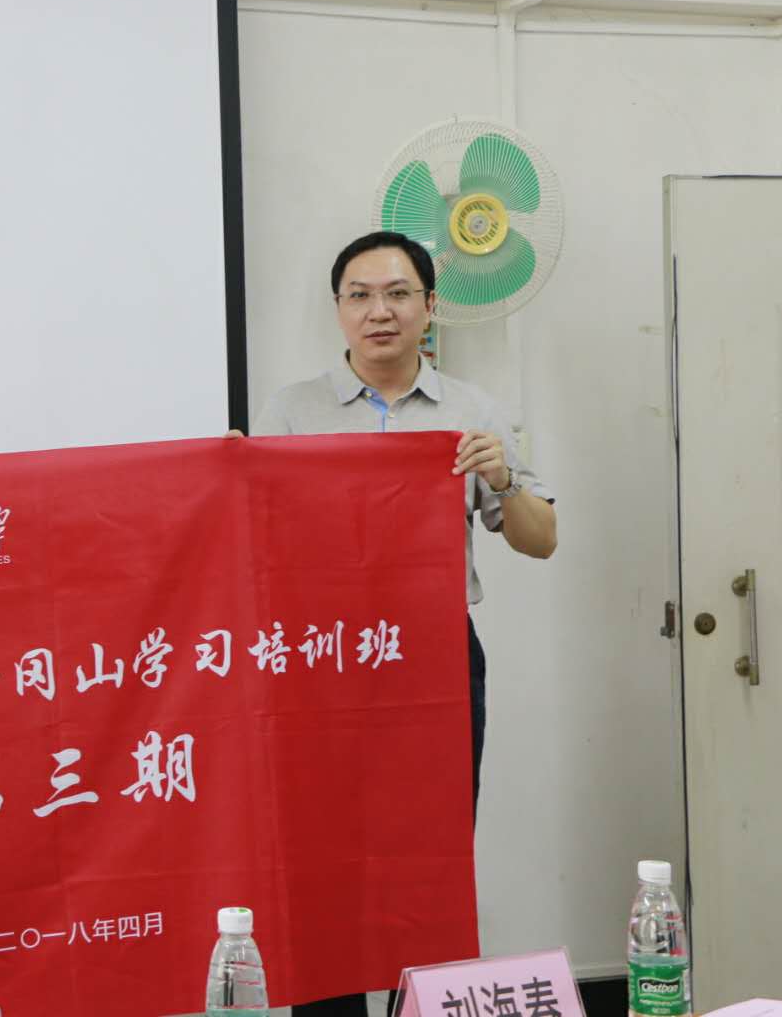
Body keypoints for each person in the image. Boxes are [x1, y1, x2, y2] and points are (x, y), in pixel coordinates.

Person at [251, 230, 557, 1017]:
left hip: (434, 655)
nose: (378, 312)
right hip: (322, 658)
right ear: (339, 310)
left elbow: (540, 540)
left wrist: (502, 477)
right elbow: (252, 537)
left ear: (430, 305)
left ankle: (420, 1007)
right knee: (320, 850)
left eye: (397, 294)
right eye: (359, 296)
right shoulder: (291, 410)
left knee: (431, 848)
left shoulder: (473, 411)